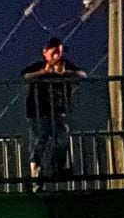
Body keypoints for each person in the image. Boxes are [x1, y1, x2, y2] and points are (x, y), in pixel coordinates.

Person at [22, 37, 84, 186]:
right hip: (38, 112)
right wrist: (43, 72)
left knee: (62, 138)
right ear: (45, 52)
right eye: (55, 52)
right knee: (38, 143)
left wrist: (66, 73)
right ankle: (36, 178)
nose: (58, 56)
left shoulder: (65, 65)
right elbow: (25, 76)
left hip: (58, 111)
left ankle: (57, 168)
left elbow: (82, 75)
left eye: (60, 52)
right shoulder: (38, 66)